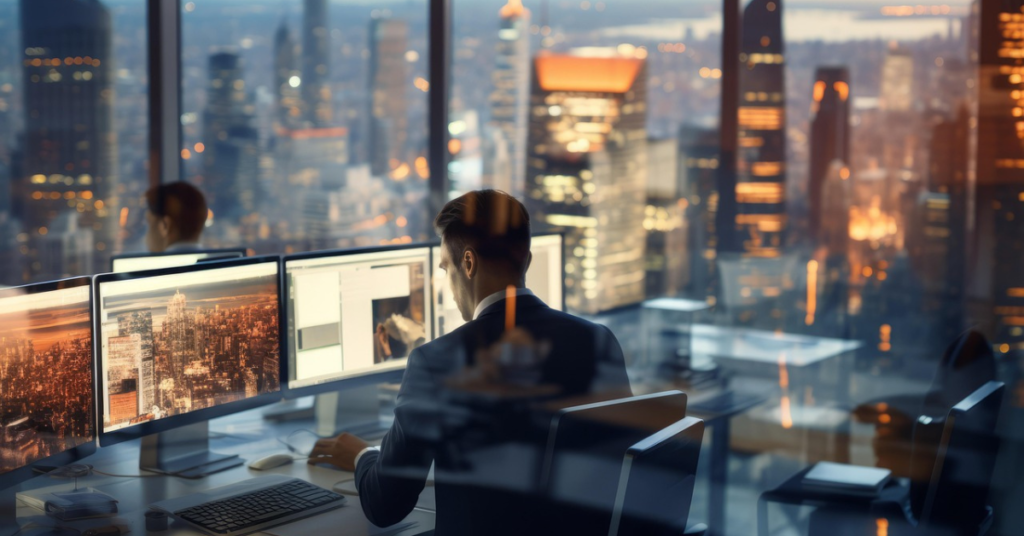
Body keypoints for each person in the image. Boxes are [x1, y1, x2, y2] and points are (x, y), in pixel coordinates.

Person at [308, 190, 632, 536]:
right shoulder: (599, 340)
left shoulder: (436, 362)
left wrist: (363, 456)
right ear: (528, 259)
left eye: (446, 267)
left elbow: (385, 505)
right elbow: (622, 469)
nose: (448, 284)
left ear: (468, 263)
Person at [144, 182, 209, 253]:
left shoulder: (162, 263)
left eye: (149, 224)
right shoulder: (215, 260)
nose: (145, 239)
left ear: (165, 226)